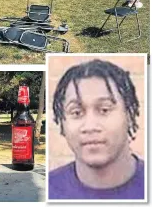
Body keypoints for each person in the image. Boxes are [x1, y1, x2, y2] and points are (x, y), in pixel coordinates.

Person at [49, 59, 144, 200]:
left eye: (104, 110)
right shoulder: (48, 191)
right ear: (62, 123)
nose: (90, 126)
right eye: (76, 112)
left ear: (129, 114)